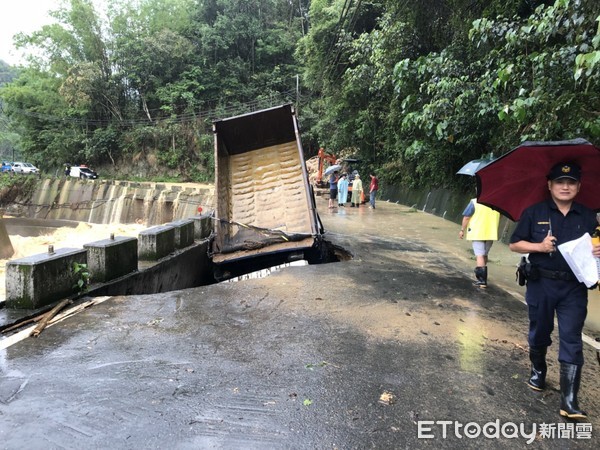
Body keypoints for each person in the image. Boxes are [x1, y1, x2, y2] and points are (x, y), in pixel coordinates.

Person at [509, 162, 600, 419]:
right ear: (550, 185)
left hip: (574, 287)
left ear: (579, 187)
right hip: (541, 284)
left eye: (571, 183)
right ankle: (538, 370)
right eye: (560, 182)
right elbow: (514, 245)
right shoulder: (534, 212)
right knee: (540, 331)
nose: (565, 187)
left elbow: (596, 246)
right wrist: (539, 247)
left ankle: (569, 400)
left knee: (572, 338)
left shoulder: (588, 216)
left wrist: (598, 249)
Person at [458, 197, 500, 288]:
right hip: (491, 233)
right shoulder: (497, 202)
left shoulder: (474, 202)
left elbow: (466, 217)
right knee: (484, 254)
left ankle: (481, 280)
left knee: (479, 255)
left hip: (477, 232)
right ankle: (483, 276)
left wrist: (462, 230)